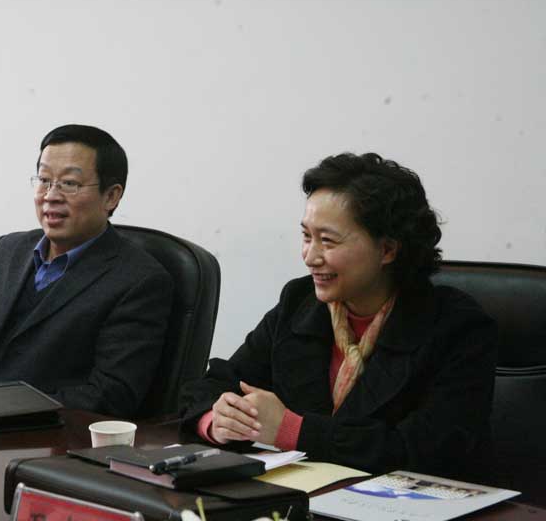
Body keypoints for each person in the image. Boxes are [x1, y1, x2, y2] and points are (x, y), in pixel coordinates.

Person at [180, 153, 496, 478]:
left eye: (327, 241)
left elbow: (427, 450)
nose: (310, 256)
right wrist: (218, 421)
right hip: (306, 493)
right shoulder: (299, 302)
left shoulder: (456, 327)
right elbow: (214, 384)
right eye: (307, 237)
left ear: (387, 250)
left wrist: (294, 430)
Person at [0, 125, 173, 417]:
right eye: (44, 180)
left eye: (69, 183)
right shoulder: (6, 250)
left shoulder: (139, 281)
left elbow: (109, 395)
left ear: (111, 196)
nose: (51, 195)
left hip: (40, 434)